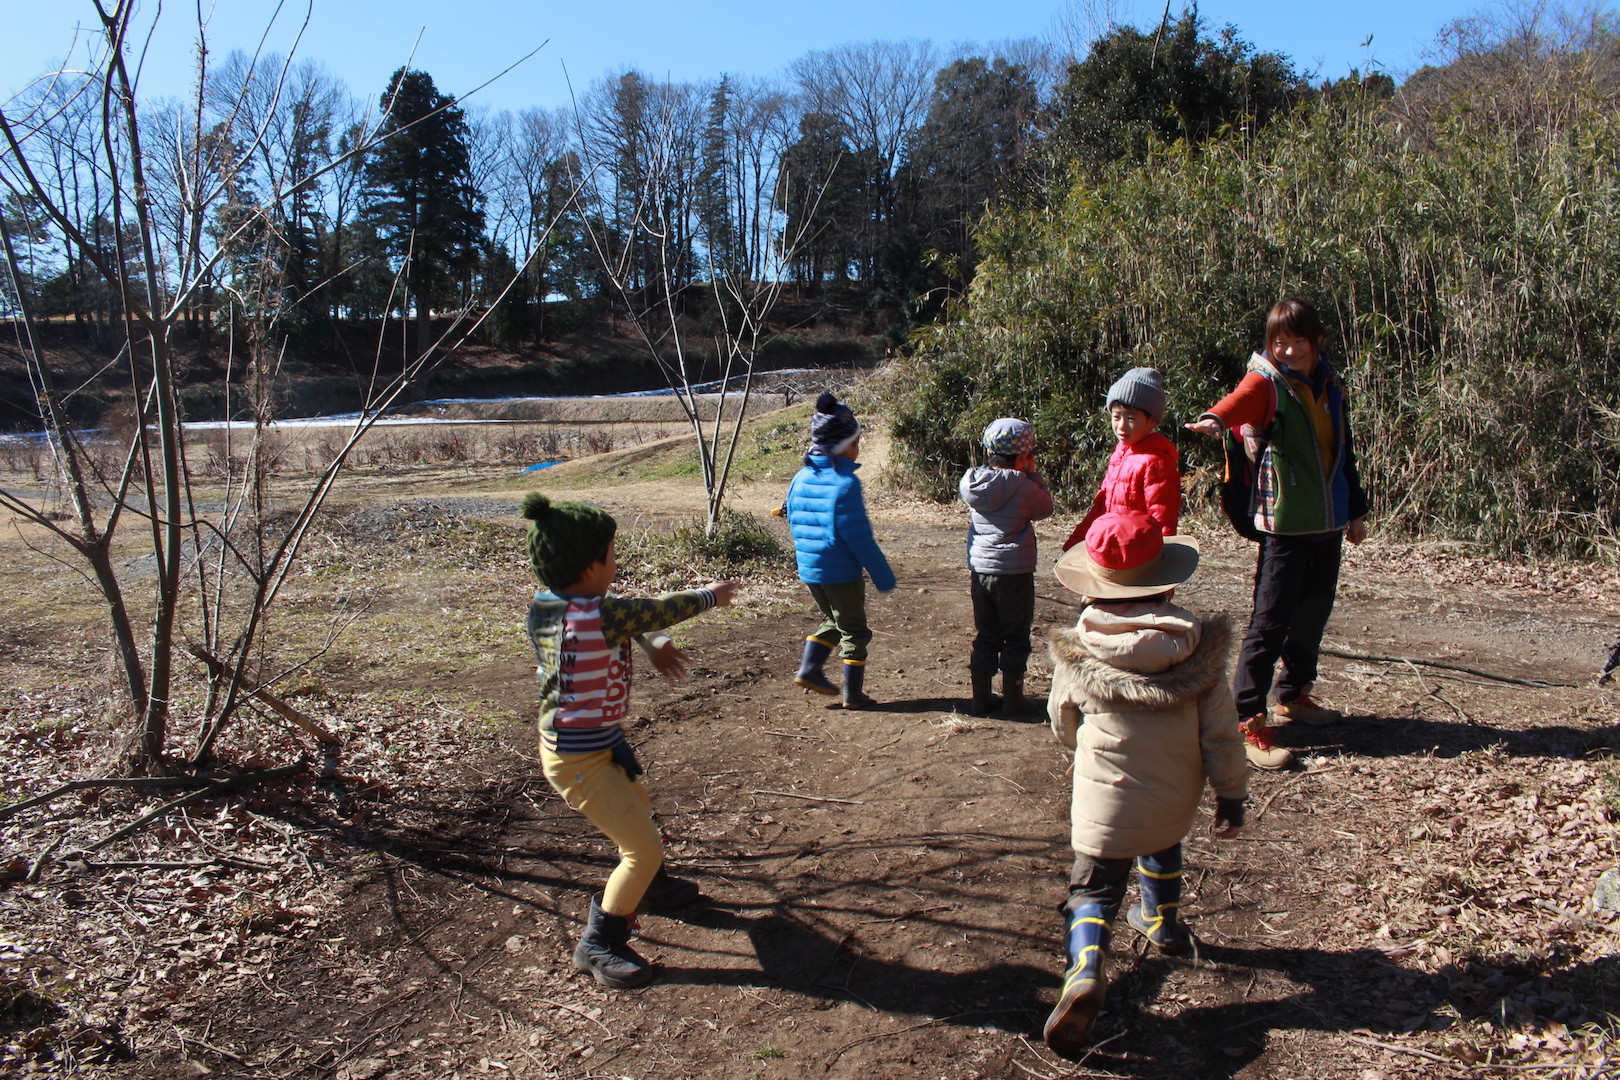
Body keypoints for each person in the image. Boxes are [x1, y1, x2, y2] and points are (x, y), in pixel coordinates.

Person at [1042, 510, 1248, 1056]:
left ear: (1094, 583)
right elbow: (1223, 734)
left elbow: (1062, 722)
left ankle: (1085, 969)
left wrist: (1082, 741)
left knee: (1094, 888)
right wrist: (1232, 795)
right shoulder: (1198, 650)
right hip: (1175, 791)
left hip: (1101, 799)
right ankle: (1163, 924)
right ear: (1169, 581)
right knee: (1161, 842)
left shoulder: (1077, 650)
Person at [522, 491, 739, 989]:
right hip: (581, 759)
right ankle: (601, 942)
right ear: (590, 565)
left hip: (585, 744)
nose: (615, 563)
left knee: (638, 811)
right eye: (611, 555)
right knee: (639, 846)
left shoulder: (551, 604)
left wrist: (655, 645)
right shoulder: (594, 615)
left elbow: (627, 616)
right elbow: (652, 610)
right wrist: (711, 595)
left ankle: (652, 887)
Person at [1184, 298, 1369, 769]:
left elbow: (1342, 452)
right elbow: (1239, 400)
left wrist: (1356, 512)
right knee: (1269, 622)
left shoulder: (1331, 384)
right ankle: (1248, 720)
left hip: (1326, 524)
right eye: (1279, 342)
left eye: (1297, 341)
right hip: (1285, 526)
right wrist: (1215, 418)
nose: (1287, 350)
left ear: (1317, 342)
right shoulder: (1268, 380)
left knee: (1312, 615)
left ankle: (1294, 695)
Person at [787, 392, 897, 709]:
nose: (858, 448)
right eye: (856, 441)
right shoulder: (845, 483)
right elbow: (858, 536)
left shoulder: (800, 477)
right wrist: (882, 574)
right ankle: (853, 694)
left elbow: (792, 512)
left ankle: (811, 668)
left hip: (810, 569)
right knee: (854, 631)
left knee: (834, 620)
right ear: (843, 444)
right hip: (841, 573)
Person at [958, 417, 1054, 715]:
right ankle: (1013, 700)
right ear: (1025, 457)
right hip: (1014, 573)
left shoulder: (972, 483)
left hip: (981, 570)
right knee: (1015, 635)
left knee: (986, 634)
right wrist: (1034, 478)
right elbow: (1045, 509)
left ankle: (981, 698)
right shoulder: (1024, 487)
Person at [1061, 367, 1180, 552]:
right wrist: (1076, 544)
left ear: (1152, 421)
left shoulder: (1155, 462)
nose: (1122, 426)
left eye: (1131, 418)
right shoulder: (1120, 454)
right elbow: (1102, 507)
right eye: (1116, 417)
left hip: (1137, 551)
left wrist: (1162, 558)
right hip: (1112, 546)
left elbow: (1162, 516)